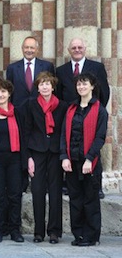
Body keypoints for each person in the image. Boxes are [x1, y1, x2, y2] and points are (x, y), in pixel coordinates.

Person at [56, 38, 110, 199]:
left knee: (93, 149)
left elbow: (105, 93)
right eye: (74, 47)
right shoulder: (61, 70)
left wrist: (94, 109)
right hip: (70, 115)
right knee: (71, 148)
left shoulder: (97, 67)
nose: (77, 49)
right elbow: (59, 95)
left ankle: (96, 185)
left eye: (80, 47)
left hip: (90, 114)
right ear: (68, 50)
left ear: (85, 49)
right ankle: (68, 183)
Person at [60, 72, 107, 247]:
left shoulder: (99, 110)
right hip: (72, 161)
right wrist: (64, 157)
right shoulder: (71, 109)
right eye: (79, 84)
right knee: (75, 200)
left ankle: (91, 236)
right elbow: (64, 135)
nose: (81, 87)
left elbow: (100, 138)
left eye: (84, 84)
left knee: (90, 200)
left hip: (90, 163)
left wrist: (89, 159)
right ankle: (78, 234)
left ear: (92, 86)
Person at [25, 71, 67, 244]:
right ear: (37, 87)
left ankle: (54, 231)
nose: (44, 86)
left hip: (56, 152)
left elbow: (65, 132)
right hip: (37, 152)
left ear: (53, 86)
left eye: (47, 83)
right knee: (37, 192)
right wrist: (28, 158)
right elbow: (26, 131)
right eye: (41, 83)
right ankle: (38, 232)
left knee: (56, 192)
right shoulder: (30, 104)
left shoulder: (63, 106)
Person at [0, 78, 26, 243]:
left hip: (15, 159)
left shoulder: (18, 113)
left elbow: (24, 138)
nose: (0, 94)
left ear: (9, 94)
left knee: (15, 195)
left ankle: (14, 229)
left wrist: (26, 161)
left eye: (3, 91)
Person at [6, 36, 55, 107]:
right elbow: (9, 91)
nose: (29, 50)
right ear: (22, 49)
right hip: (19, 110)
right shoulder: (12, 68)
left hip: (41, 109)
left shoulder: (47, 66)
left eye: (32, 48)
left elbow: (53, 89)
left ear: (37, 50)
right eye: (26, 47)